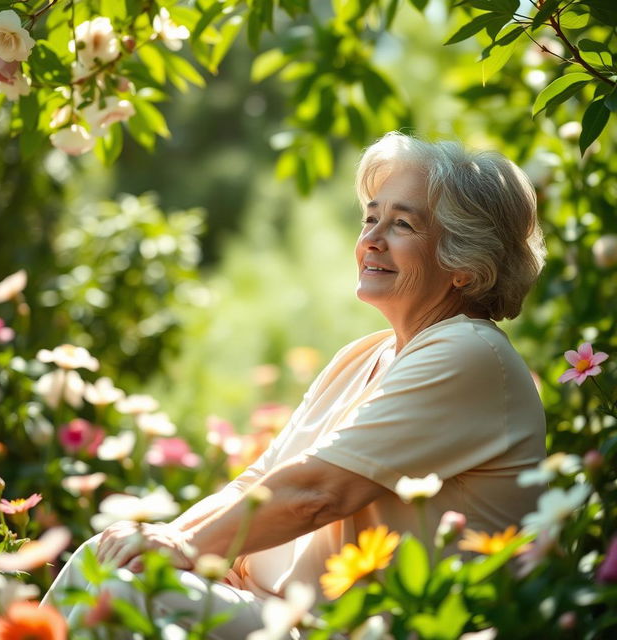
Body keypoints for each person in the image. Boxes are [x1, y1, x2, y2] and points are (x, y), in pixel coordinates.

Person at [42, 132, 547, 637]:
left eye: (402, 224)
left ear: (464, 264)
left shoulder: (469, 352)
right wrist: (166, 538)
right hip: (270, 609)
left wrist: (186, 549)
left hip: (347, 629)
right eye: (371, 218)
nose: (372, 239)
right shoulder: (363, 355)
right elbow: (257, 484)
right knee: (105, 557)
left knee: (126, 589)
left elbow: (318, 491)